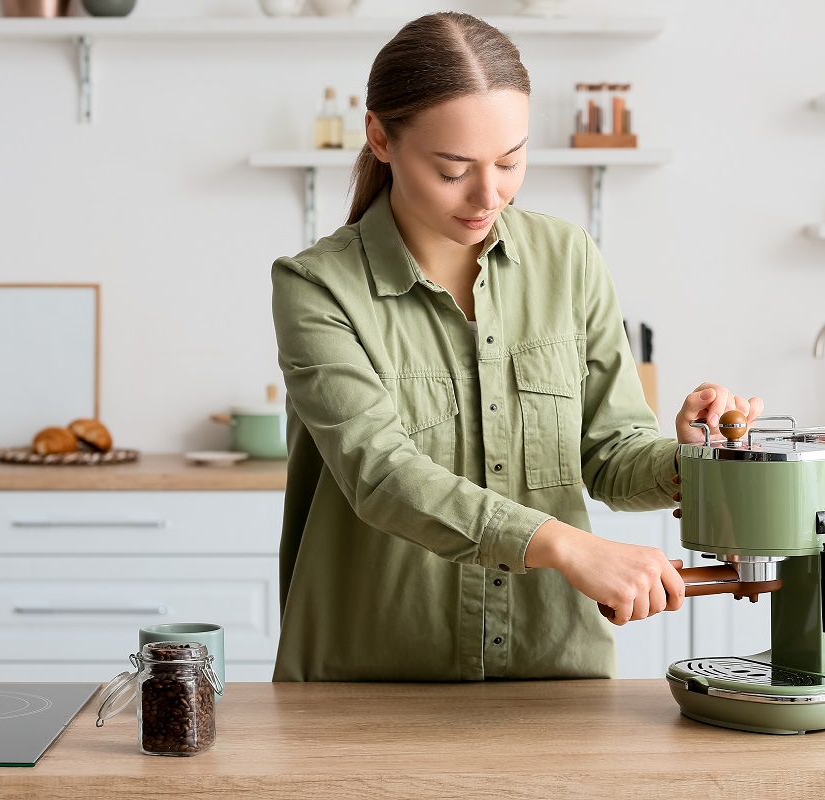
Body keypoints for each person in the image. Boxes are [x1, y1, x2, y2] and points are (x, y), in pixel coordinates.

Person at [270, 11, 763, 682]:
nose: (488, 194)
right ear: (380, 138)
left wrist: (687, 459)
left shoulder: (567, 258)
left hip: (553, 672)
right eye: (453, 170)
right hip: (371, 683)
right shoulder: (317, 286)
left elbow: (609, 453)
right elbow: (381, 475)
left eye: (510, 161)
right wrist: (560, 545)